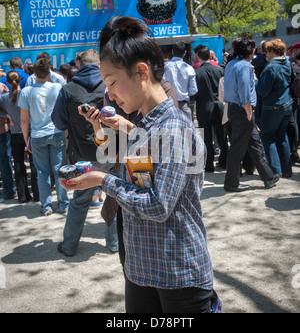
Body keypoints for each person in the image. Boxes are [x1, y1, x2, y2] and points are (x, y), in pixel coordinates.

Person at [60, 16, 219, 314]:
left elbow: (158, 206)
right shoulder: (146, 124)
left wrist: (101, 180)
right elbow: (138, 175)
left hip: (176, 272)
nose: (110, 94)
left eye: (112, 82)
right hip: (143, 266)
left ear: (141, 71)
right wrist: (113, 133)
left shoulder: (173, 129)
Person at [51, 49, 116, 257]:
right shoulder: (110, 86)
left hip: (82, 154)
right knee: (114, 196)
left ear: (79, 64)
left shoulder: (67, 89)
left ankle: (69, 246)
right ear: (99, 65)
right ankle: (114, 243)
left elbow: (59, 122)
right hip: (111, 152)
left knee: (79, 202)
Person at [224, 38, 279, 192]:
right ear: (249, 51)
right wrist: (249, 112)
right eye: (253, 49)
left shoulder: (231, 64)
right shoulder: (245, 66)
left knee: (255, 145)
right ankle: (231, 183)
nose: (254, 52)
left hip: (235, 109)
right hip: (243, 110)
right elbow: (244, 92)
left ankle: (268, 177)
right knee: (237, 148)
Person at [19, 58, 69, 216]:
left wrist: (26, 139)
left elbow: (24, 121)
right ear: (49, 72)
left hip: (38, 135)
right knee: (59, 169)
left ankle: (46, 206)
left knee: (42, 172)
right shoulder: (57, 87)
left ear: (33, 73)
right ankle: (63, 204)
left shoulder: (26, 92)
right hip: (56, 133)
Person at [256, 39, 294, 177]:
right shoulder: (287, 64)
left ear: (272, 51)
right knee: (282, 137)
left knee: (267, 137)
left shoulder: (271, 67)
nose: (266, 54)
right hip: (287, 104)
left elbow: (263, 91)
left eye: (267, 51)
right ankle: (286, 169)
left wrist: (255, 81)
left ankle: (275, 171)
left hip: (273, 106)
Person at [0, 71, 38, 203]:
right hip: (31, 131)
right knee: (34, 163)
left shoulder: (4, 97)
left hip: (15, 133)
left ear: (8, 83)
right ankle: (37, 193)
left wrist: (6, 116)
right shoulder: (28, 93)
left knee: (18, 163)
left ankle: (22, 195)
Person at [194, 44, 227, 172]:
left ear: (197, 55)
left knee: (206, 138)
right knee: (222, 136)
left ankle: (209, 165)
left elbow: (194, 91)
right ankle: (224, 161)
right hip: (219, 105)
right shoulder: (219, 70)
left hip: (203, 107)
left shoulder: (197, 72)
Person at [163, 42, 198, 120]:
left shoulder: (165, 67)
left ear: (172, 51)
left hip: (169, 105)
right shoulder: (189, 68)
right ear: (185, 53)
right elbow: (193, 90)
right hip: (184, 105)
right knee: (187, 131)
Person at [0, 106, 15, 201]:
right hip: (2, 132)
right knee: (5, 161)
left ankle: (8, 191)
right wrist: (6, 115)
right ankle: (8, 191)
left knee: (4, 161)